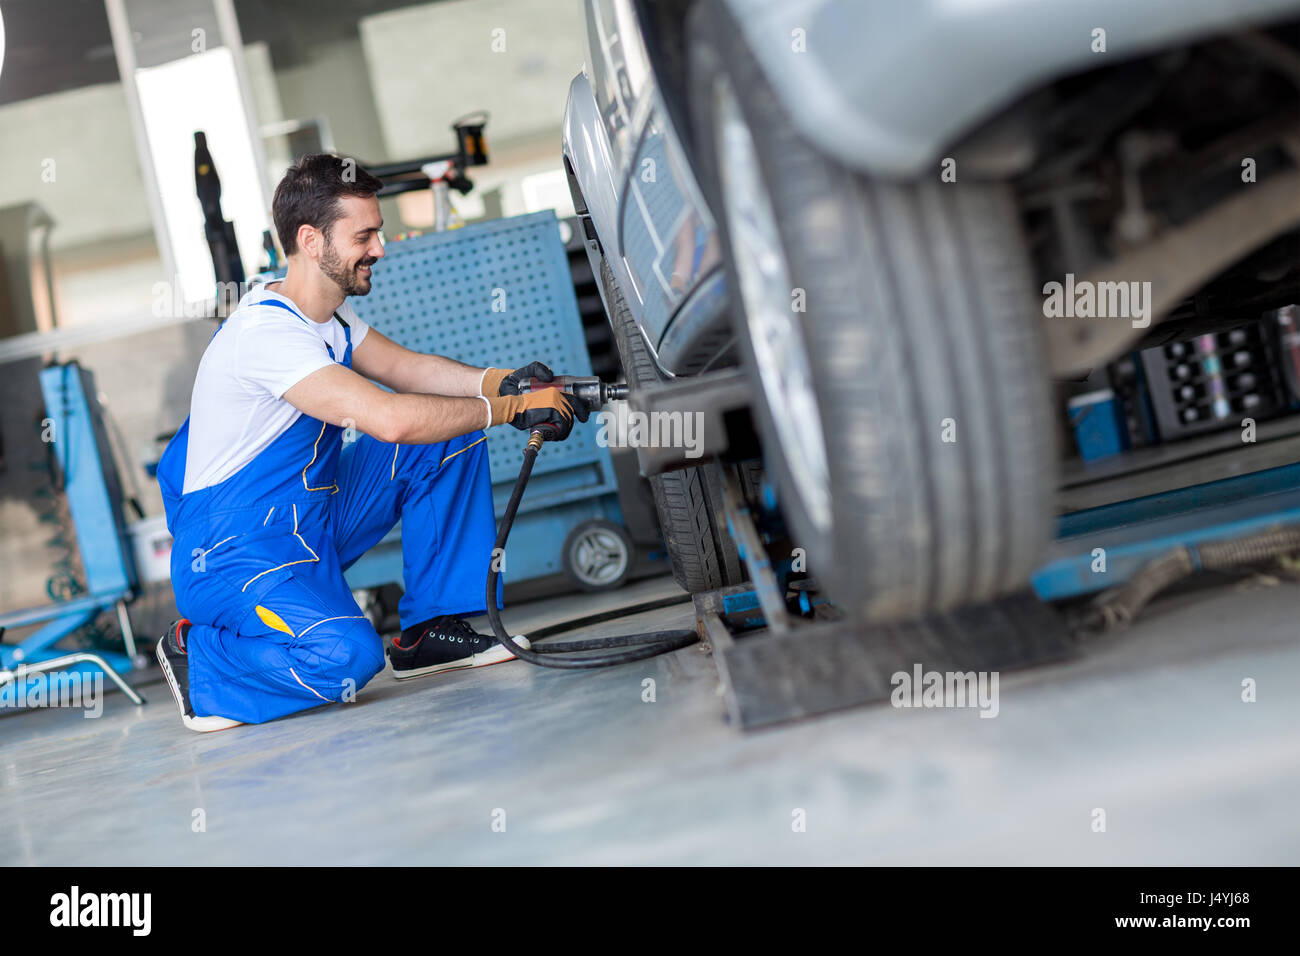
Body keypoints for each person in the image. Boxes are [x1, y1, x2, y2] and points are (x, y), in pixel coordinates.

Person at [153, 154, 587, 732]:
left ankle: (433, 631)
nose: (380, 248)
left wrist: (503, 383)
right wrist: (506, 409)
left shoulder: (329, 320)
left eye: (376, 233)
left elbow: (408, 370)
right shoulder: (265, 333)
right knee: (347, 660)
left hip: (308, 524)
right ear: (311, 240)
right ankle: (201, 659)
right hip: (236, 553)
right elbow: (391, 419)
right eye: (365, 235)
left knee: (448, 438)